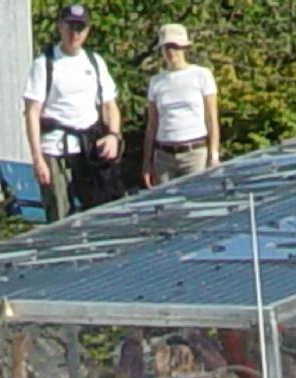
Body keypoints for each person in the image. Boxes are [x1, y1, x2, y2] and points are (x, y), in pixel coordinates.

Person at [23, 4, 124, 223]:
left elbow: (109, 106)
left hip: (89, 149)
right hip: (55, 149)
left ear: (87, 31)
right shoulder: (45, 64)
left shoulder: (95, 62)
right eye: (70, 27)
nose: (75, 34)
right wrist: (38, 158)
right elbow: (32, 113)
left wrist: (113, 136)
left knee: (99, 211)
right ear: (60, 27)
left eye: (80, 28)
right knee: (60, 214)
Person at [142, 23, 219, 186]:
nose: (171, 52)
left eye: (175, 47)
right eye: (167, 47)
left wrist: (214, 155)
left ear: (184, 48)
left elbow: (211, 119)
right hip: (164, 155)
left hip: (195, 153)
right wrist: (147, 162)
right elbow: (152, 124)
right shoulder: (156, 82)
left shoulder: (201, 75)